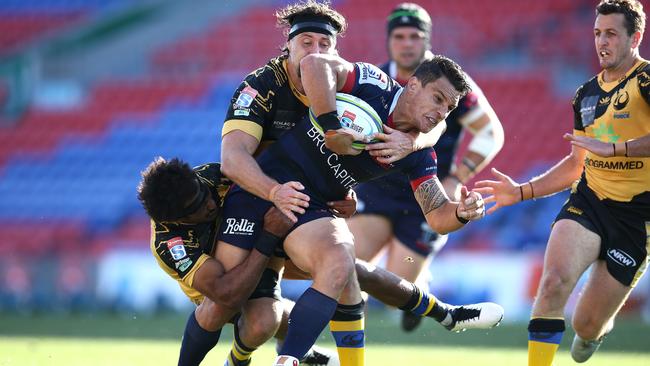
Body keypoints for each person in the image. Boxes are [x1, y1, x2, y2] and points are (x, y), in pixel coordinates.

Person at [219, 2, 501, 366]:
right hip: (260, 192)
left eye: (447, 108)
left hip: (312, 206)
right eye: (436, 99)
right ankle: (442, 313)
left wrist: (461, 213)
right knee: (225, 302)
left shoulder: (417, 149)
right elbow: (315, 64)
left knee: (341, 265)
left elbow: (437, 216)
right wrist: (332, 127)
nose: (439, 113)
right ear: (412, 84)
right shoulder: (373, 83)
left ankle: (288, 358)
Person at [138, 158, 503, 366]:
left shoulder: (211, 176)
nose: (209, 205)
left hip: (260, 234)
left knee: (343, 266)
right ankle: (250, 358)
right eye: (197, 211)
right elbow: (226, 291)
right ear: (177, 220)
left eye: (204, 196)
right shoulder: (172, 243)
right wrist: (266, 237)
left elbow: (280, 173)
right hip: (223, 279)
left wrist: (337, 201)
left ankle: (446, 314)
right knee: (243, 314)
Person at [474, 1, 650, 364]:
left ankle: (592, 334)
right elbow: (575, 165)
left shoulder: (647, 81)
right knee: (552, 283)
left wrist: (614, 148)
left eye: (612, 34)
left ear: (636, 37)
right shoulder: (585, 94)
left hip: (637, 218)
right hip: (589, 202)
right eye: (598, 33)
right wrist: (520, 192)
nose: (602, 42)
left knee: (586, 324)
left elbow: (609, 148)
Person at [347, 2, 504, 332]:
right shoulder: (375, 79)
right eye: (399, 36)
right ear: (389, 40)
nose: (407, 44)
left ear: (427, 41)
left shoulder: (452, 84)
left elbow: (491, 132)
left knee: (396, 293)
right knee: (347, 267)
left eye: (415, 36)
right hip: (376, 191)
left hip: (426, 194)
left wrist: (457, 177)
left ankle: (422, 287)